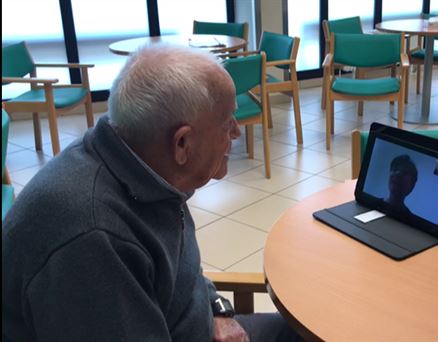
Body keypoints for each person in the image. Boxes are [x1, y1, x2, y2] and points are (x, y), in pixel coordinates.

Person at [2, 44, 301, 342]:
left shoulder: (145, 166)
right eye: (227, 123)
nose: (236, 132)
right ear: (182, 143)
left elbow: (182, 268)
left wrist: (217, 309)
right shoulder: (92, 240)